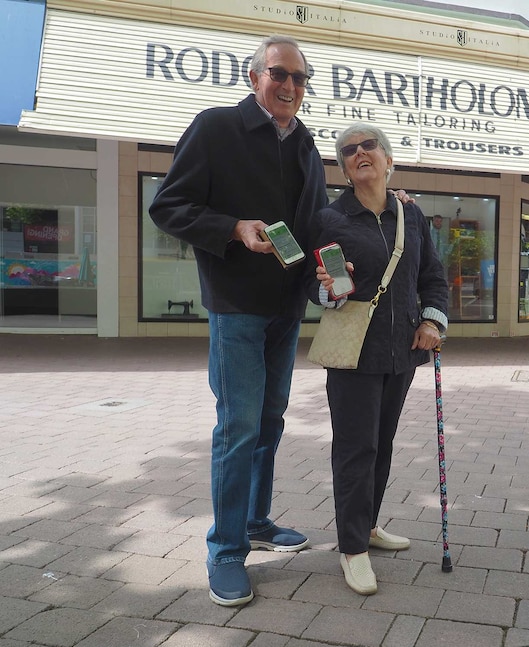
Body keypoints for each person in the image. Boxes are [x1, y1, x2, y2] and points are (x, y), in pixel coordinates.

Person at [148, 34, 328, 607]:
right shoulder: (215, 127)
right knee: (238, 426)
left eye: (300, 79)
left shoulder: (305, 144)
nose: (290, 87)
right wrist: (233, 227)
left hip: (287, 305)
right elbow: (168, 206)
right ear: (255, 77)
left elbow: (313, 223)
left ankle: (255, 521)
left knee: (270, 420)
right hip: (236, 304)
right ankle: (225, 549)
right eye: (280, 74)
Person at [305, 122, 449, 595]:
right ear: (345, 168)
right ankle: (352, 550)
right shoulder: (331, 219)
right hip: (353, 352)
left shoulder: (410, 214)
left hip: (401, 352)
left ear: (389, 160)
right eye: (349, 150)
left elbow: (432, 275)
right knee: (355, 449)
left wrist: (431, 322)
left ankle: (366, 526)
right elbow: (316, 287)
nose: (360, 153)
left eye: (370, 146)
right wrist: (329, 288)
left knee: (382, 444)